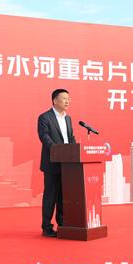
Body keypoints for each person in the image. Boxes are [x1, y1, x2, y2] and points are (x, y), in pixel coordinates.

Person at [37, 89, 76, 237]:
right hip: (52, 163)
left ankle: (62, 223)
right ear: (55, 100)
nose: (67, 101)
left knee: (63, 196)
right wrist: (56, 149)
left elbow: (70, 138)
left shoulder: (68, 119)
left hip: (67, 164)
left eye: (69, 99)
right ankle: (46, 227)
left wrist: (75, 151)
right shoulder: (44, 117)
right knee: (50, 196)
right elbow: (44, 136)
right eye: (64, 98)